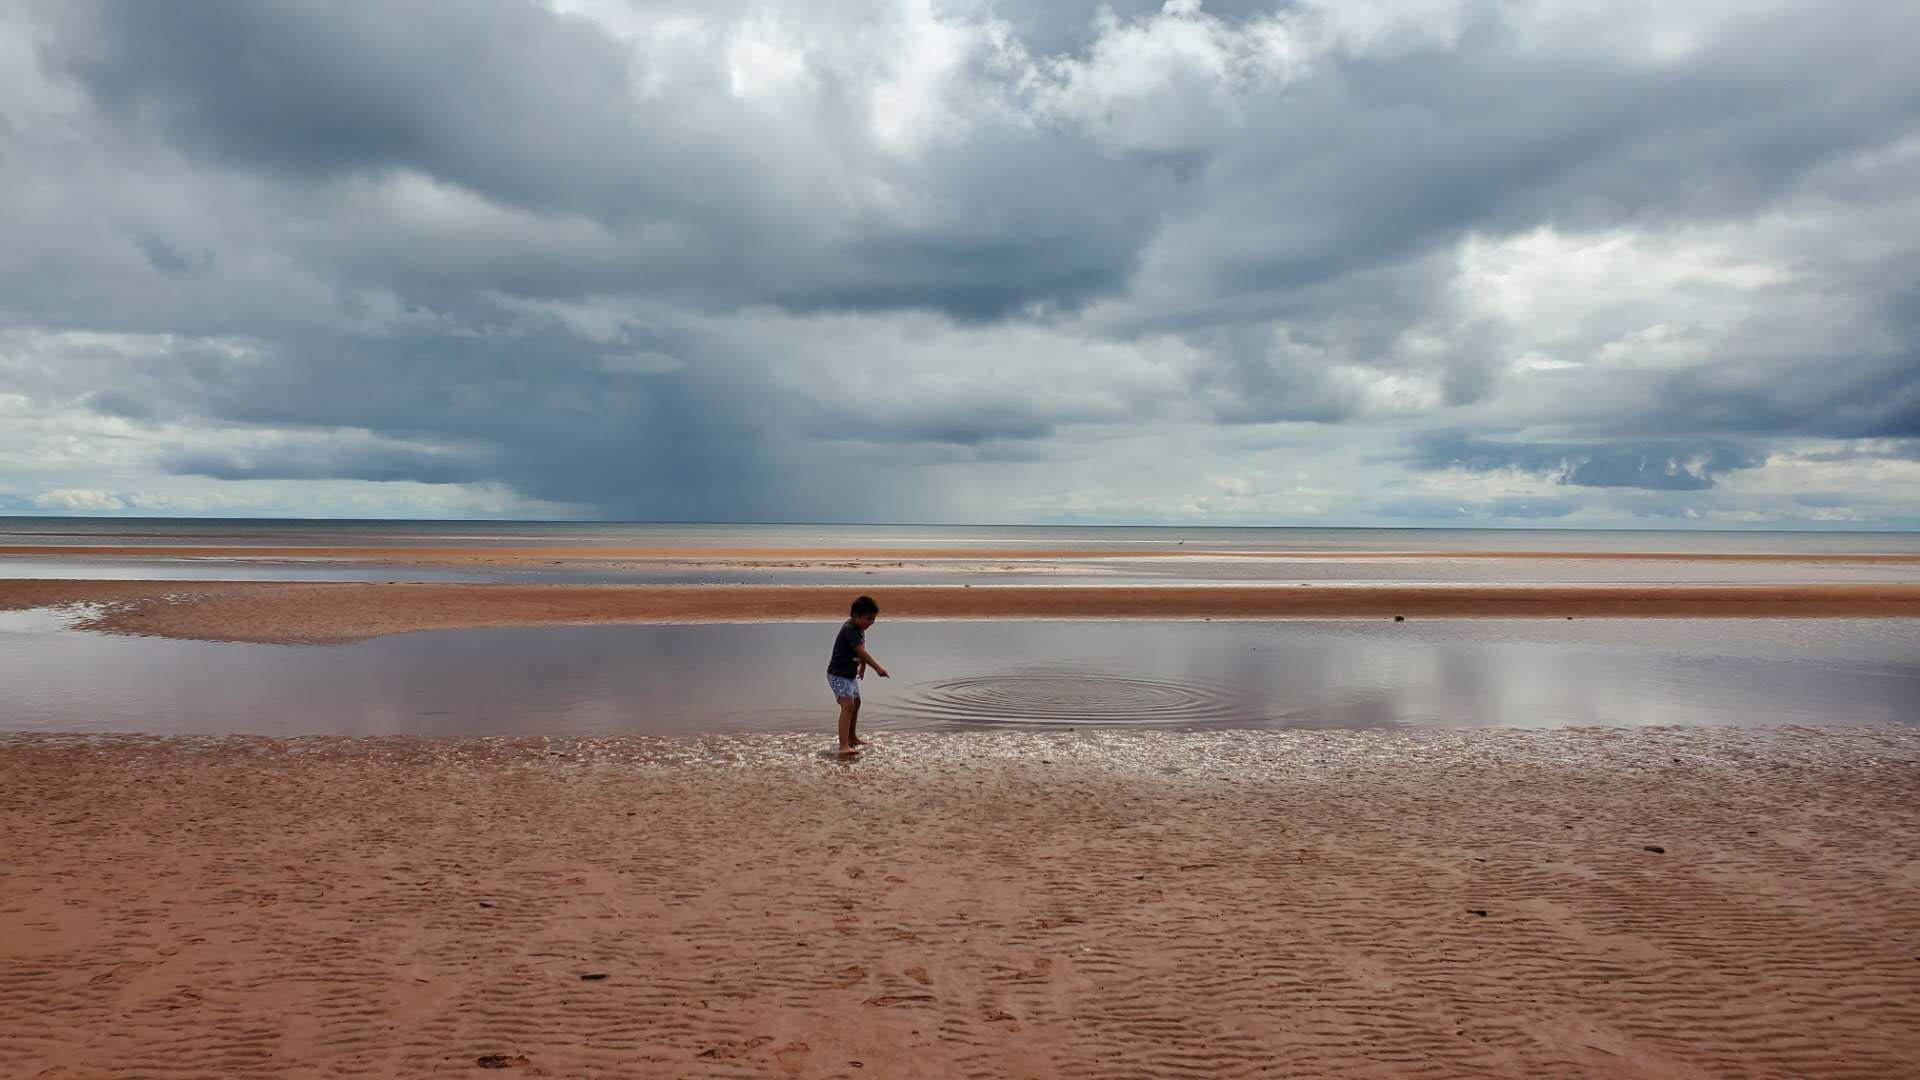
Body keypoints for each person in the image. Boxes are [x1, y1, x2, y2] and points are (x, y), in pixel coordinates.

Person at [827, 595, 888, 756]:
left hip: (849, 674)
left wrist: (863, 664)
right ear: (856, 616)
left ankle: (852, 737)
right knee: (848, 705)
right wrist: (878, 668)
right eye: (868, 619)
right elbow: (861, 651)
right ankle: (843, 745)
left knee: (856, 702)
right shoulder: (849, 629)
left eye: (873, 619)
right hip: (838, 675)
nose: (871, 623)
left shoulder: (859, 629)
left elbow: (860, 649)